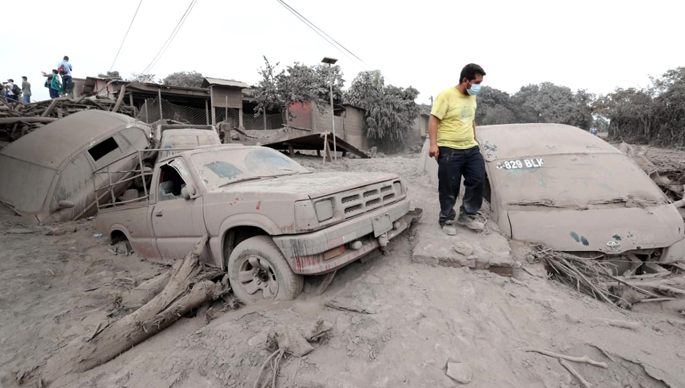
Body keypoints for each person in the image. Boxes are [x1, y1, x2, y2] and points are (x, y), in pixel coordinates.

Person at [428, 63, 487, 236]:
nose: (478, 86)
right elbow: (433, 120)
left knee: (477, 179)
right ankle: (446, 218)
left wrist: (475, 140)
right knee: (449, 186)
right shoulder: (446, 95)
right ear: (465, 80)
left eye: (480, 83)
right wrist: (433, 145)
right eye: (476, 82)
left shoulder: (471, 97)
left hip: (470, 147)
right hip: (449, 148)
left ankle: (467, 215)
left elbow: (471, 120)